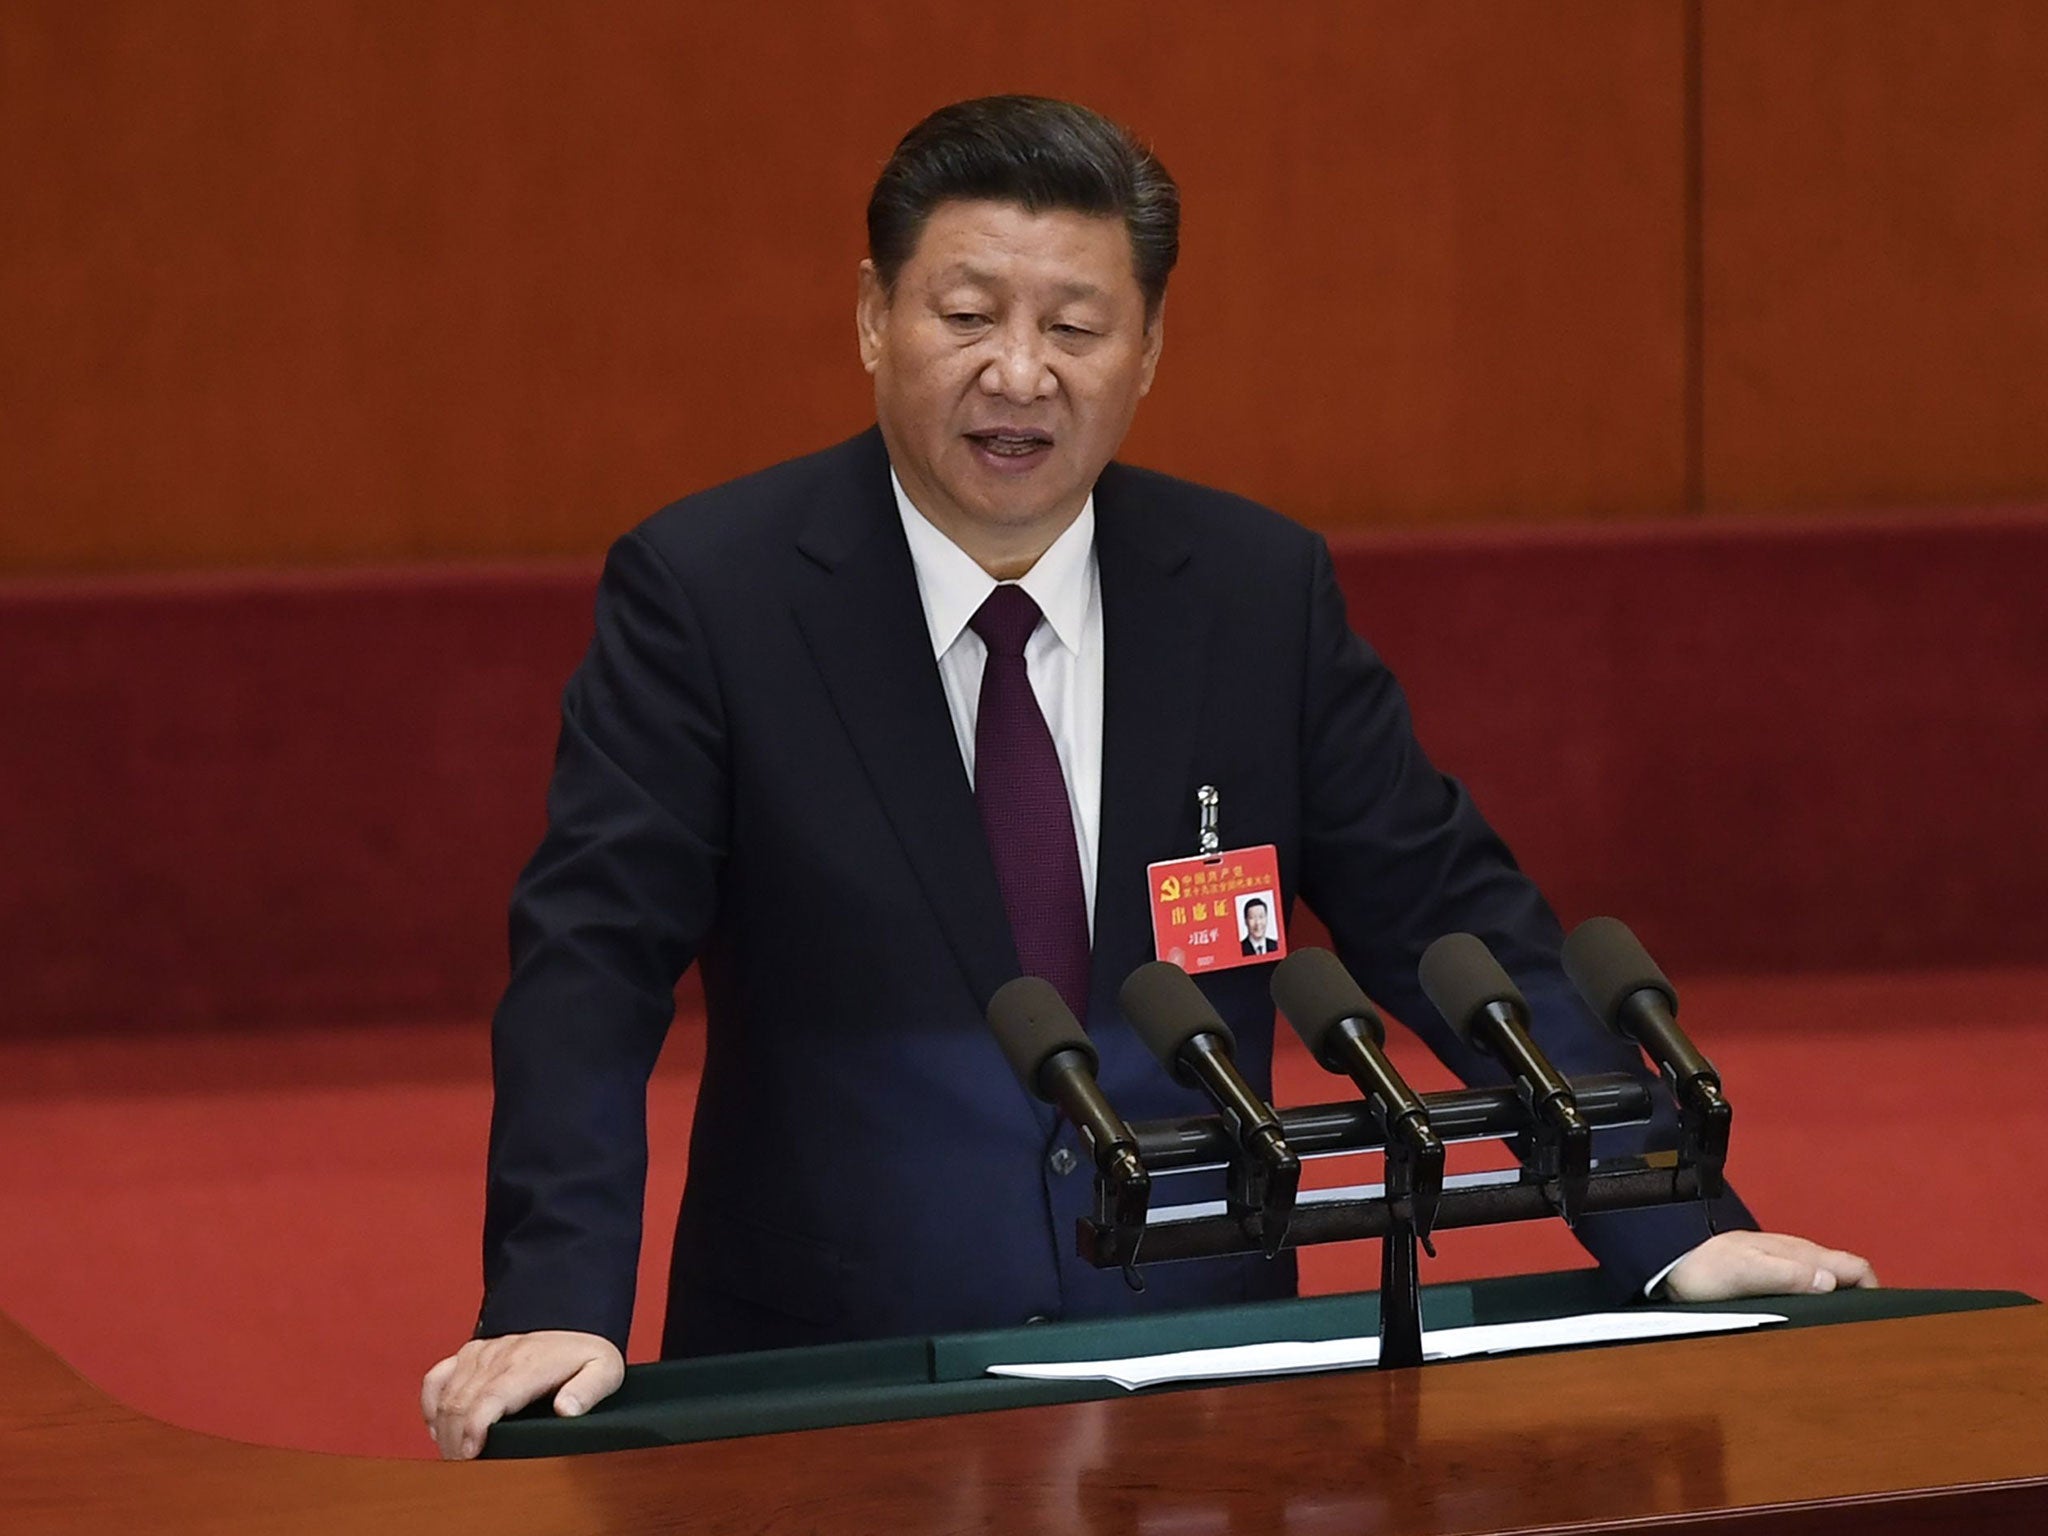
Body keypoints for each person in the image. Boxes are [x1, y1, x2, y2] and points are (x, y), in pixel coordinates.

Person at [422, 96, 1873, 1460]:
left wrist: (1675, 1220)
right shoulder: (714, 594)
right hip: (840, 1373)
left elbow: (1454, 924)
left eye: (1075, 325)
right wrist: (556, 1291)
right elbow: (589, 968)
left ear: (1151, 348)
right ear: (872, 317)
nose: (1020, 373)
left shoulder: (1251, 592)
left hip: (1211, 1363)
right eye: (968, 315)